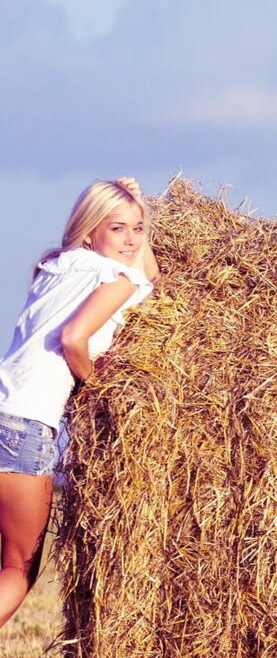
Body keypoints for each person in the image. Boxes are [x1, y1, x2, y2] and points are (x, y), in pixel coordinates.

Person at [0, 177, 160, 628]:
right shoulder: (119, 277)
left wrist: (137, 206)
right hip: (24, 426)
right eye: (118, 228)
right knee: (16, 567)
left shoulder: (56, 265)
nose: (131, 240)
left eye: (138, 229)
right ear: (90, 230)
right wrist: (94, 386)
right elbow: (75, 338)